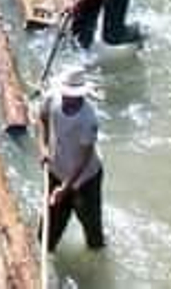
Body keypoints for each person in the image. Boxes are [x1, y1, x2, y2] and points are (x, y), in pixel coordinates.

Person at [35, 65, 106, 252]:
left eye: (73, 96)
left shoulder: (88, 119)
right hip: (57, 170)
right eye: (66, 95)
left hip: (85, 179)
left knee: (93, 236)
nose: (69, 100)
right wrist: (43, 147)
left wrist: (65, 188)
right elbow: (42, 119)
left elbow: (84, 158)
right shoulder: (52, 98)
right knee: (46, 235)